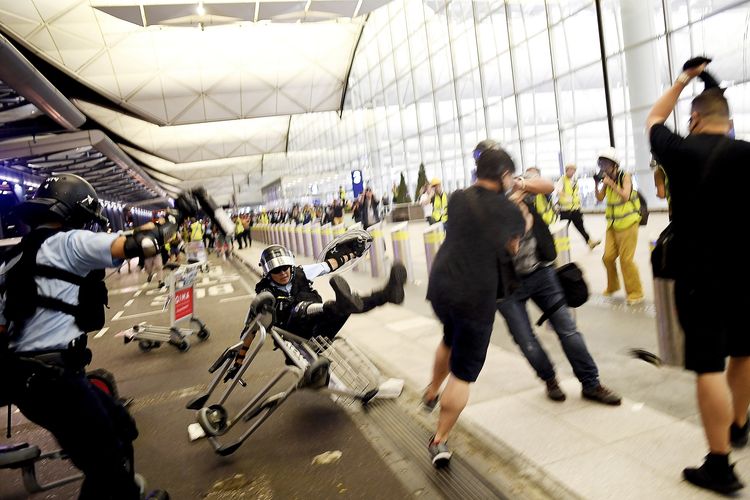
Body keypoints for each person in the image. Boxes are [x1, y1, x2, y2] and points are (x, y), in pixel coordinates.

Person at [0, 173, 170, 499]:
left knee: (120, 426)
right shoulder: (69, 242)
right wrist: (171, 223)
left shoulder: (11, 260)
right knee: (106, 465)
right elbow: (140, 244)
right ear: (76, 214)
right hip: (56, 380)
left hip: (26, 381)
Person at [647, 59, 750, 495]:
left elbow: (654, 118)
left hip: (700, 276)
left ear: (693, 119)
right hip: (748, 272)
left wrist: (682, 80)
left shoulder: (679, 151)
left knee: (707, 364)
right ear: (727, 122)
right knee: (744, 351)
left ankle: (720, 465)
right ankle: (739, 425)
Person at [422, 141, 526, 468]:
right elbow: (511, 248)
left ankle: (430, 391)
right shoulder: (509, 210)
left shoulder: (457, 198)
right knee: (463, 373)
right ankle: (439, 439)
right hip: (475, 296)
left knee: (449, 338)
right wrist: (521, 213)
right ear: (505, 175)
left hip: (441, 286)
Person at [497, 164, 621, 406]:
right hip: (507, 285)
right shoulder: (487, 204)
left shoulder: (519, 186)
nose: (505, 179)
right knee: (526, 341)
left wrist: (520, 185)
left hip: (541, 273)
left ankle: (591, 383)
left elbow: (548, 185)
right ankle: (549, 378)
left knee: (568, 330)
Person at [224, 243, 407, 379]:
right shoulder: (265, 295)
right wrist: (239, 361)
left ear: (290, 264)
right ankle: (336, 305)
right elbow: (250, 330)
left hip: (318, 332)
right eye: (277, 270)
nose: (283, 273)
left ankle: (388, 294)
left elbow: (329, 264)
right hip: (294, 341)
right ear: (268, 273)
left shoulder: (301, 272)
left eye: (285, 267)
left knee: (344, 308)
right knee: (300, 308)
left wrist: (352, 252)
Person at [594, 147, 644, 305]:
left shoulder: (625, 176)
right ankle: (613, 285)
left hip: (629, 224)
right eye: (601, 164)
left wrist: (611, 183)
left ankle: (636, 292)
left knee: (626, 260)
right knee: (607, 257)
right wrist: (597, 184)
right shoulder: (606, 178)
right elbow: (600, 198)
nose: (603, 167)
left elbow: (625, 196)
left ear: (614, 164)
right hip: (613, 225)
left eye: (606, 164)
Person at [556, 164, 600, 249]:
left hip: (575, 209)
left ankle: (590, 242)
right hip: (566, 210)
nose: (572, 172)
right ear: (566, 170)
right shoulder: (562, 180)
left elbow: (575, 194)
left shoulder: (574, 180)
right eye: (571, 170)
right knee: (563, 230)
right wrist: (567, 198)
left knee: (581, 227)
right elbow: (558, 190)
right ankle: (557, 247)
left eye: (574, 170)